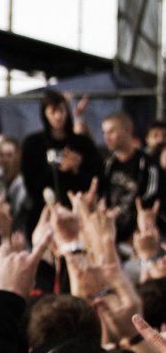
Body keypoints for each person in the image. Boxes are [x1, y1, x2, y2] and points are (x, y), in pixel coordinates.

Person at [21, 89, 102, 219]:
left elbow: (97, 176)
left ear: (67, 111)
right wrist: (58, 168)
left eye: (61, 110)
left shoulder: (82, 143)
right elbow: (30, 180)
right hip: (44, 211)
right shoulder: (33, 144)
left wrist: (76, 169)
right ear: (45, 114)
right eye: (53, 112)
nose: (58, 116)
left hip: (78, 211)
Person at [99, 111, 158, 242]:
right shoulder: (108, 164)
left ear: (127, 130)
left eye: (111, 131)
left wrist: (121, 211)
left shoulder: (146, 163)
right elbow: (102, 195)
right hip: (111, 233)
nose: (106, 137)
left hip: (138, 235)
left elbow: (150, 197)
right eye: (104, 132)